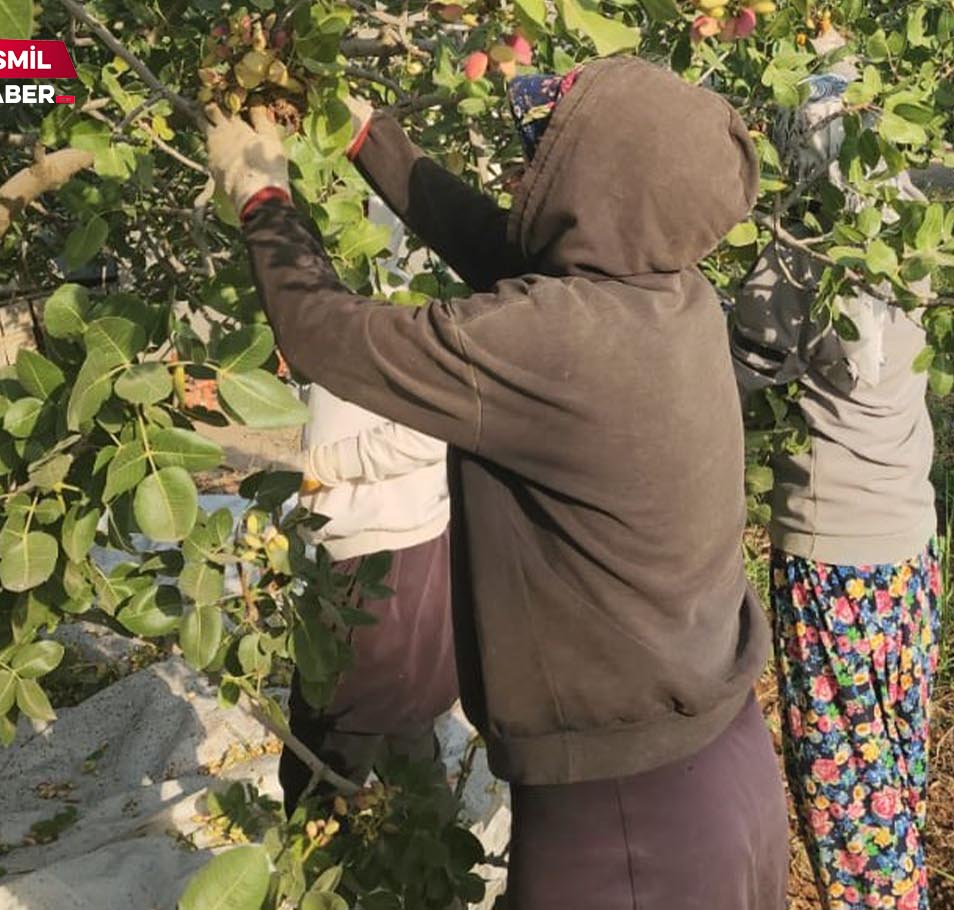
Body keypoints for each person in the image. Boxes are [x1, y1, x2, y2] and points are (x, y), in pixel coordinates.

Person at [205, 56, 788, 909]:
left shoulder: (558, 345)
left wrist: (262, 199)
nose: (519, 175)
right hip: (715, 766)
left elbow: (324, 335)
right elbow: (505, 245)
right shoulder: (669, 297)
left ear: (598, 189)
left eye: (543, 157)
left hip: (626, 813)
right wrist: (363, 130)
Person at [730, 30, 941, 910]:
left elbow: (732, 367)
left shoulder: (799, 256)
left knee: (852, 809)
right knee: (892, 772)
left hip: (832, 556)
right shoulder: (915, 231)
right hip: (910, 550)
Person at [278, 224, 457, 809]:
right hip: (361, 545)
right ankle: (419, 854)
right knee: (394, 711)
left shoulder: (398, 318)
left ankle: (322, 856)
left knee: (341, 719)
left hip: (388, 551)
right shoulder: (343, 319)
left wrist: (326, 465)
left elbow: (430, 430)